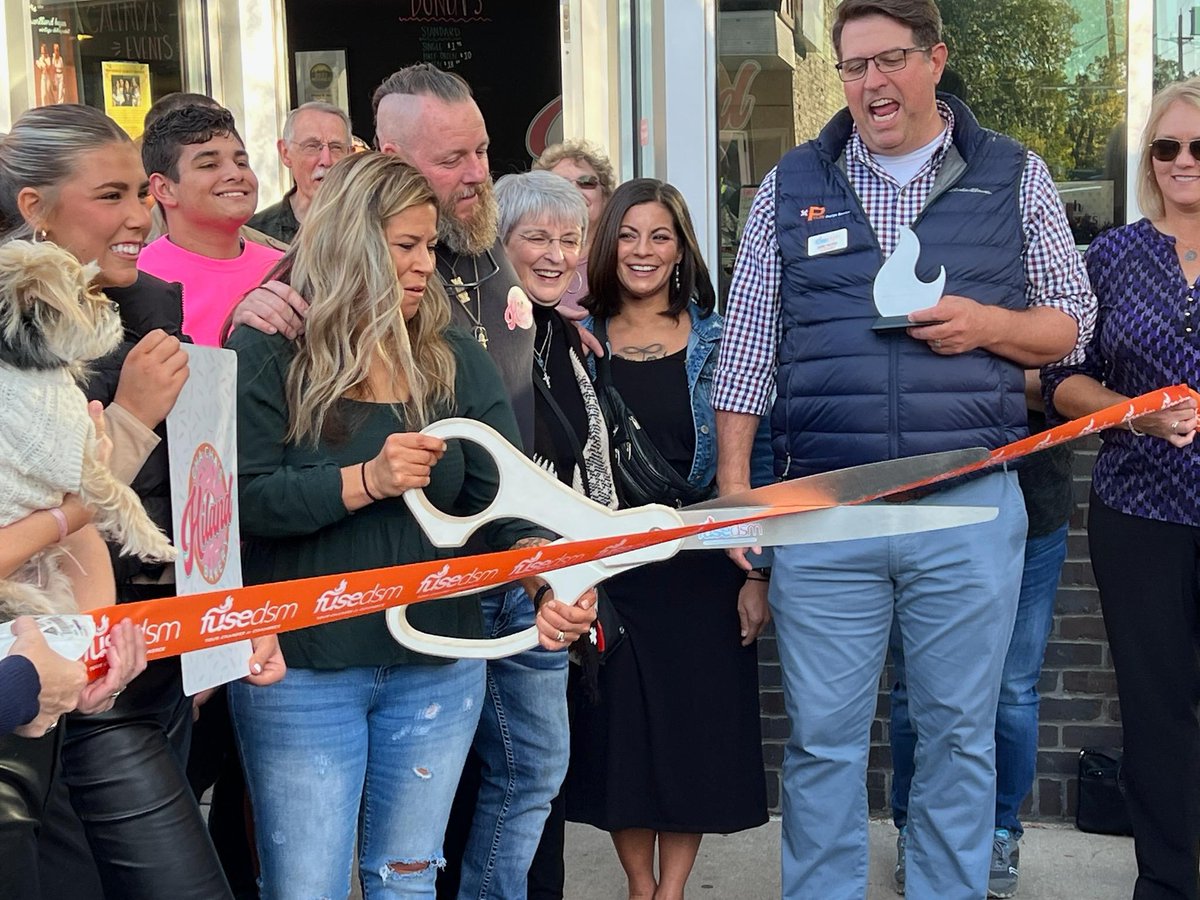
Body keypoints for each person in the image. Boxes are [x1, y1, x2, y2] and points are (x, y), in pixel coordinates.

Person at [711, 0, 1097, 897]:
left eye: (889, 60)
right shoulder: (791, 182)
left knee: (959, 736)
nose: (871, 83)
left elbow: (1071, 323)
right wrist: (737, 495)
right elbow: (747, 345)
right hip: (826, 512)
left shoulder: (1013, 174)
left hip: (966, 509)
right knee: (822, 742)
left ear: (935, 60)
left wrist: (988, 325)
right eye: (854, 66)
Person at [225, 151, 594, 899]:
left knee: (408, 879)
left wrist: (545, 582)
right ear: (353, 242)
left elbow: (504, 505)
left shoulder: (454, 356)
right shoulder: (269, 347)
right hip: (303, 662)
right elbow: (241, 504)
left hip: (437, 657)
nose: (427, 263)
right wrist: (366, 480)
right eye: (406, 244)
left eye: (429, 244)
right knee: (306, 887)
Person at [0, 101, 282, 900]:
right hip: (48, 679)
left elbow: (198, 492)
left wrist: (222, 621)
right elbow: (48, 515)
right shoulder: (17, 342)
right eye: (110, 195)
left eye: (138, 193)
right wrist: (127, 421)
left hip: (139, 661)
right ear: (35, 207)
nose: (138, 215)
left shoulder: (150, 307)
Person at [565, 178, 768, 900]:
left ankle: (671, 891)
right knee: (621, 736)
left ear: (682, 248)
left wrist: (757, 574)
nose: (642, 250)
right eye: (627, 234)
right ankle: (638, 884)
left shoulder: (721, 338)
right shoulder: (575, 339)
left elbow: (754, 462)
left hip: (702, 569)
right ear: (607, 244)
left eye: (659, 236)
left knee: (692, 736)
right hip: (612, 569)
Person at [1043, 77, 1200, 900]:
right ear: (1148, 159)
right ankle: (1167, 882)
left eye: (1198, 147)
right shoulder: (1111, 257)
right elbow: (1062, 380)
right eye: (1166, 146)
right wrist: (1138, 413)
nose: (1182, 161)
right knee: (1155, 706)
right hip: (1140, 511)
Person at [888, 383, 1074, 898]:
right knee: (914, 690)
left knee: (1012, 689)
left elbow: (1064, 381)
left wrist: (988, 364)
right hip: (932, 508)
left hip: (1037, 509)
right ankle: (913, 830)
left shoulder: (1043, 324)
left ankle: (998, 832)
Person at [493, 169, 618, 899]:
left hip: (559, 586)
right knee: (508, 778)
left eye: (570, 240)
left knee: (539, 782)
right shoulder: (482, 336)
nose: (556, 255)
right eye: (536, 237)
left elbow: (588, 463)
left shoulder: (566, 340)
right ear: (498, 243)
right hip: (497, 581)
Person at [139, 104, 283, 347]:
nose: (235, 174)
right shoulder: (133, 280)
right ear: (164, 188)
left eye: (241, 163)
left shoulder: (286, 270)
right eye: (209, 165)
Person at [248, 101, 353, 244]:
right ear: (285, 153)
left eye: (336, 148)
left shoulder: (372, 226)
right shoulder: (256, 235)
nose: (326, 160)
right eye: (312, 146)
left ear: (350, 155)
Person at [533, 140, 617, 318]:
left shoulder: (621, 256)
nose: (573, 191)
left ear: (605, 196)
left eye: (586, 182)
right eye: (560, 183)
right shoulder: (526, 256)